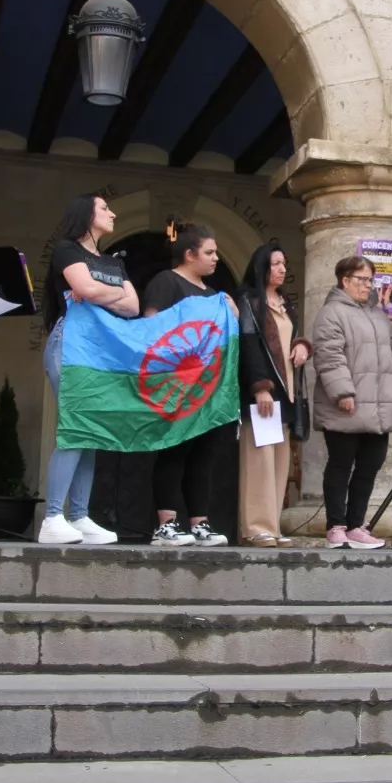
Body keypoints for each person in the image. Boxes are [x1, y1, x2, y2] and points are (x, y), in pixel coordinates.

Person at [39, 193, 136, 544]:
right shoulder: (68, 249)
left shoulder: (112, 261)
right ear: (86, 214)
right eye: (105, 208)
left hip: (99, 351)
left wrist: (97, 291)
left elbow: (134, 305)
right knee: (76, 427)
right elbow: (85, 288)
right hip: (70, 344)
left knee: (90, 432)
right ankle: (53, 516)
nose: (113, 212)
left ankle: (78, 516)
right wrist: (107, 291)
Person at [142, 216, 237, 547]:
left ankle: (200, 522)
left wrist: (233, 315)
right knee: (174, 450)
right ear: (189, 255)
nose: (215, 258)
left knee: (203, 455)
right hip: (175, 384)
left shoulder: (215, 295)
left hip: (206, 388)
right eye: (209, 252)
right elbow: (151, 327)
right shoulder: (166, 282)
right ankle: (165, 525)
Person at [311, 255, 392, 550]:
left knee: (370, 465)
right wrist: (343, 392)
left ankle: (357, 525)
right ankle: (335, 526)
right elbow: (329, 356)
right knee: (341, 465)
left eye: (371, 280)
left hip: (379, 407)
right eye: (363, 280)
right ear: (345, 280)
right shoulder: (331, 313)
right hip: (348, 405)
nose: (368, 286)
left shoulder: (378, 315)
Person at [236, 241, 310, 547]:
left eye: (283, 264)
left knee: (279, 461)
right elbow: (249, 345)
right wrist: (260, 388)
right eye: (275, 264)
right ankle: (255, 527)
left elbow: (290, 337)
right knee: (259, 462)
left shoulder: (284, 301)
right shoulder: (250, 301)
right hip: (264, 392)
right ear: (261, 266)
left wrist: (303, 344)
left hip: (287, 392)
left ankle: (273, 525)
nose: (281, 269)